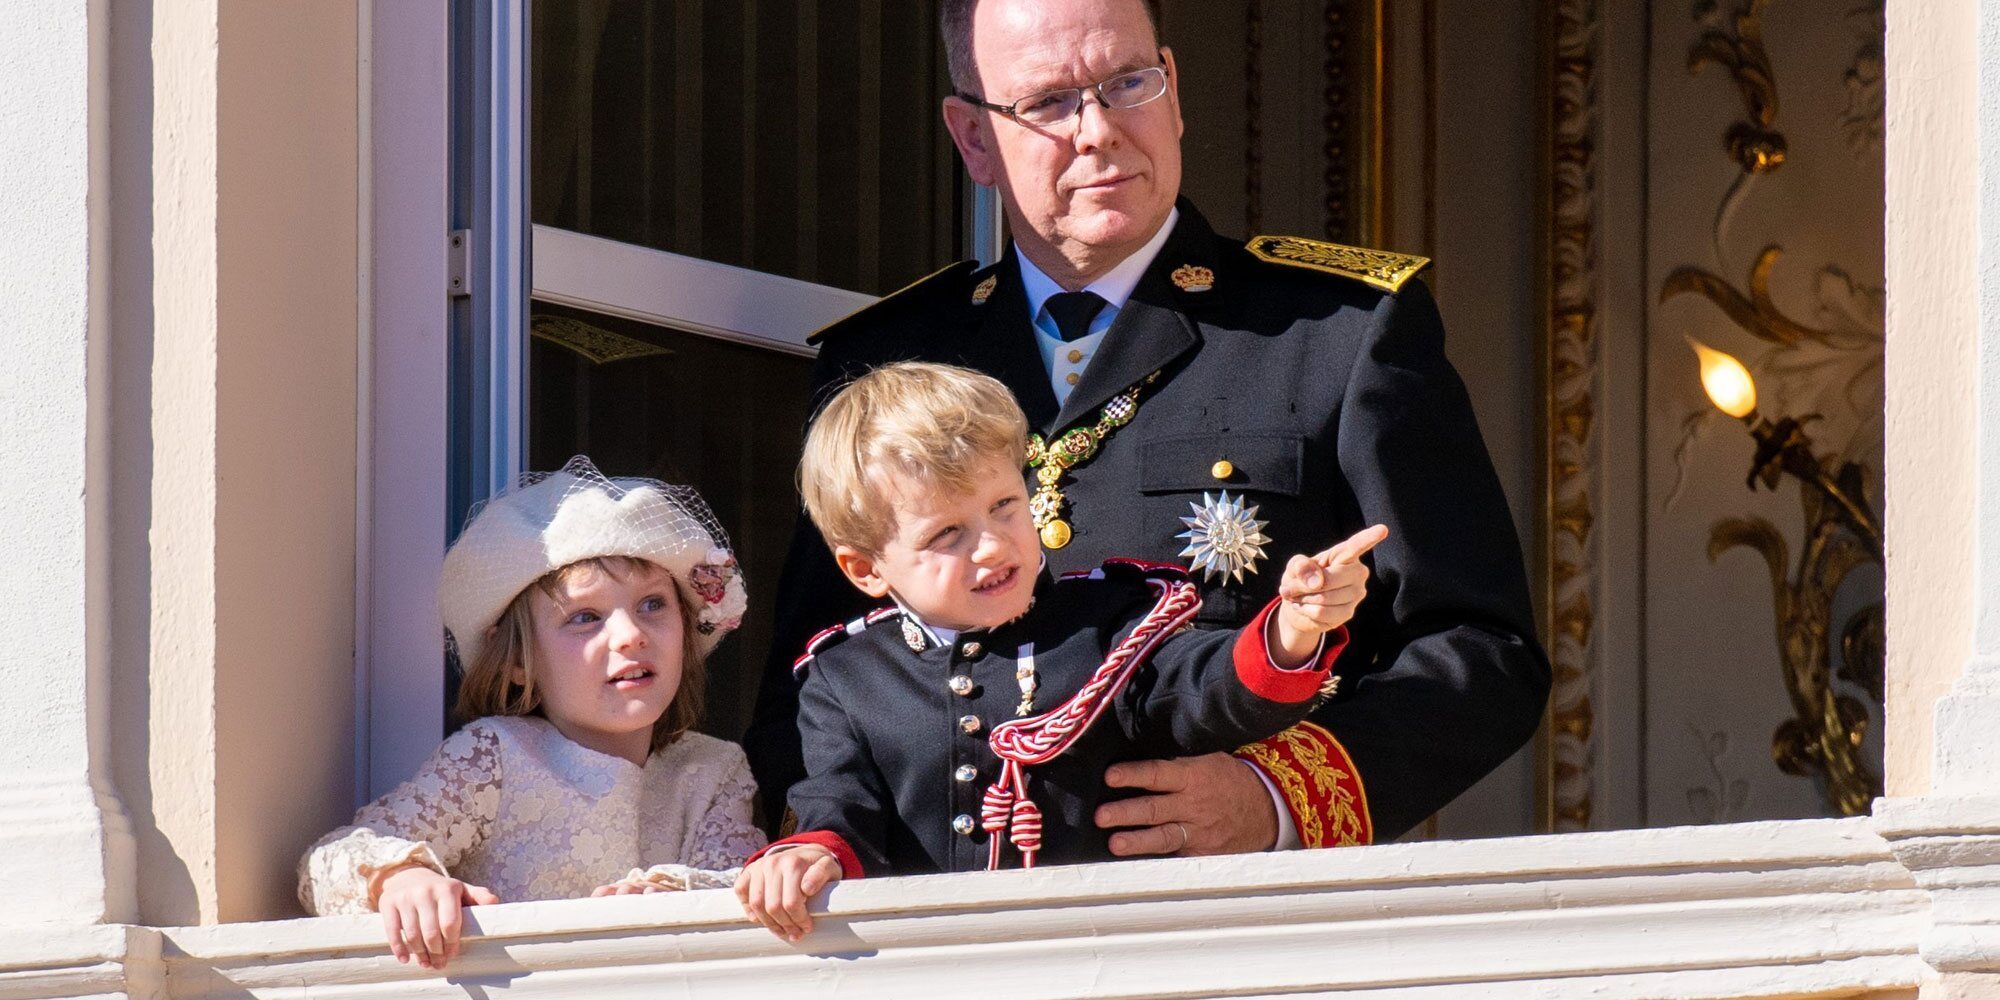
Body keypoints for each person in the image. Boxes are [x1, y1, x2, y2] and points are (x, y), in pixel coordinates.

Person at [746, 0, 1548, 857]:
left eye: (1128, 82)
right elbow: (806, 688)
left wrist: (1275, 795)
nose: (1099, 130)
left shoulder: (1336, 334)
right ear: (973, 138)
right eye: (1050, 102)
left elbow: (1480, 653)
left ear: (1173, 92)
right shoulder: (884, 362)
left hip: (1227, 947)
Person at [734, 363, 1384, 940]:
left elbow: (1206, 693)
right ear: (866, 570)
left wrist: (1295, 627)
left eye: (1005, 506)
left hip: (1114, 950)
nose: (992, 545)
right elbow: (841, 807)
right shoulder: (844, 676)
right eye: (949, 532)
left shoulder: (1110, 620)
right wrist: (811, 854)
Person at [300, 457, 766, 971]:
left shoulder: (712, 771)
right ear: (520, 661)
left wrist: (669, 898)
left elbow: (740, 894)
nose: (631, 634)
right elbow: (332, 859)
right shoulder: (495, 758)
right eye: (586, 617)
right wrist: (401, 880)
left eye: (652, 604)